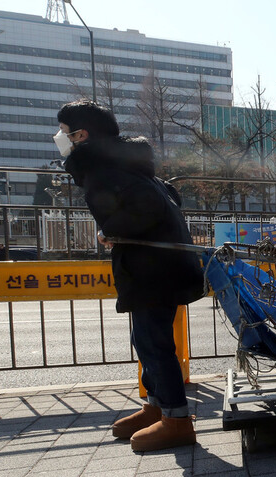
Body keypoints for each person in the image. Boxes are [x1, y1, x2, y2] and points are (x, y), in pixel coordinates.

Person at [56, 100, 204, 452]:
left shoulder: (104, 166)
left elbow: (148, 207)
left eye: (65, 132)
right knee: (145, 340)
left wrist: (110, 230)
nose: (62, 139)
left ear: (82, 134)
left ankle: (177, 420)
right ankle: (155, 407)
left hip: (154, 267)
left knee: (154, 342)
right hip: (154, 264)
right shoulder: (122, 162)